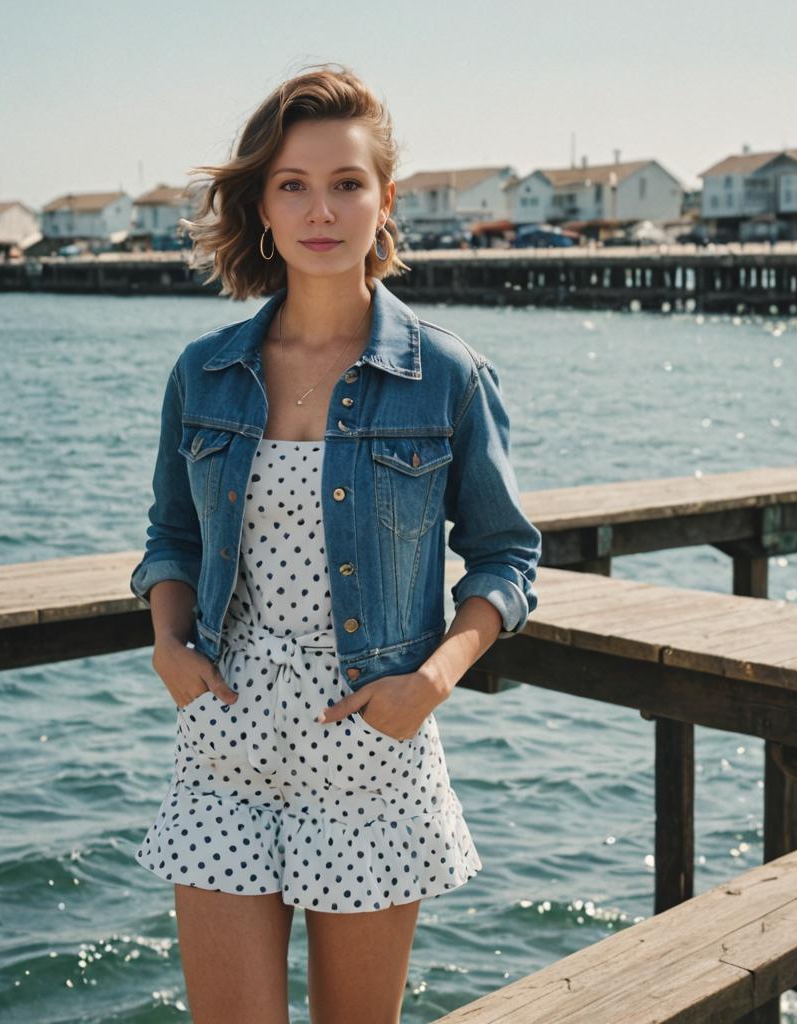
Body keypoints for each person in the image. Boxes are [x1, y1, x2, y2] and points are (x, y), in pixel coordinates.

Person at [129, 63, 542, 1024]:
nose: (323, 210)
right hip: (225, 736)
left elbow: (507, 557)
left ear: (384, 202)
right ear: (262, 209)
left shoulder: (446, 375)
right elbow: (170, 532)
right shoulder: (206, 373)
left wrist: (432, 683)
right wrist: (167, 641)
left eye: (347, 183)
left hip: (369, 737)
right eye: (294, 184)